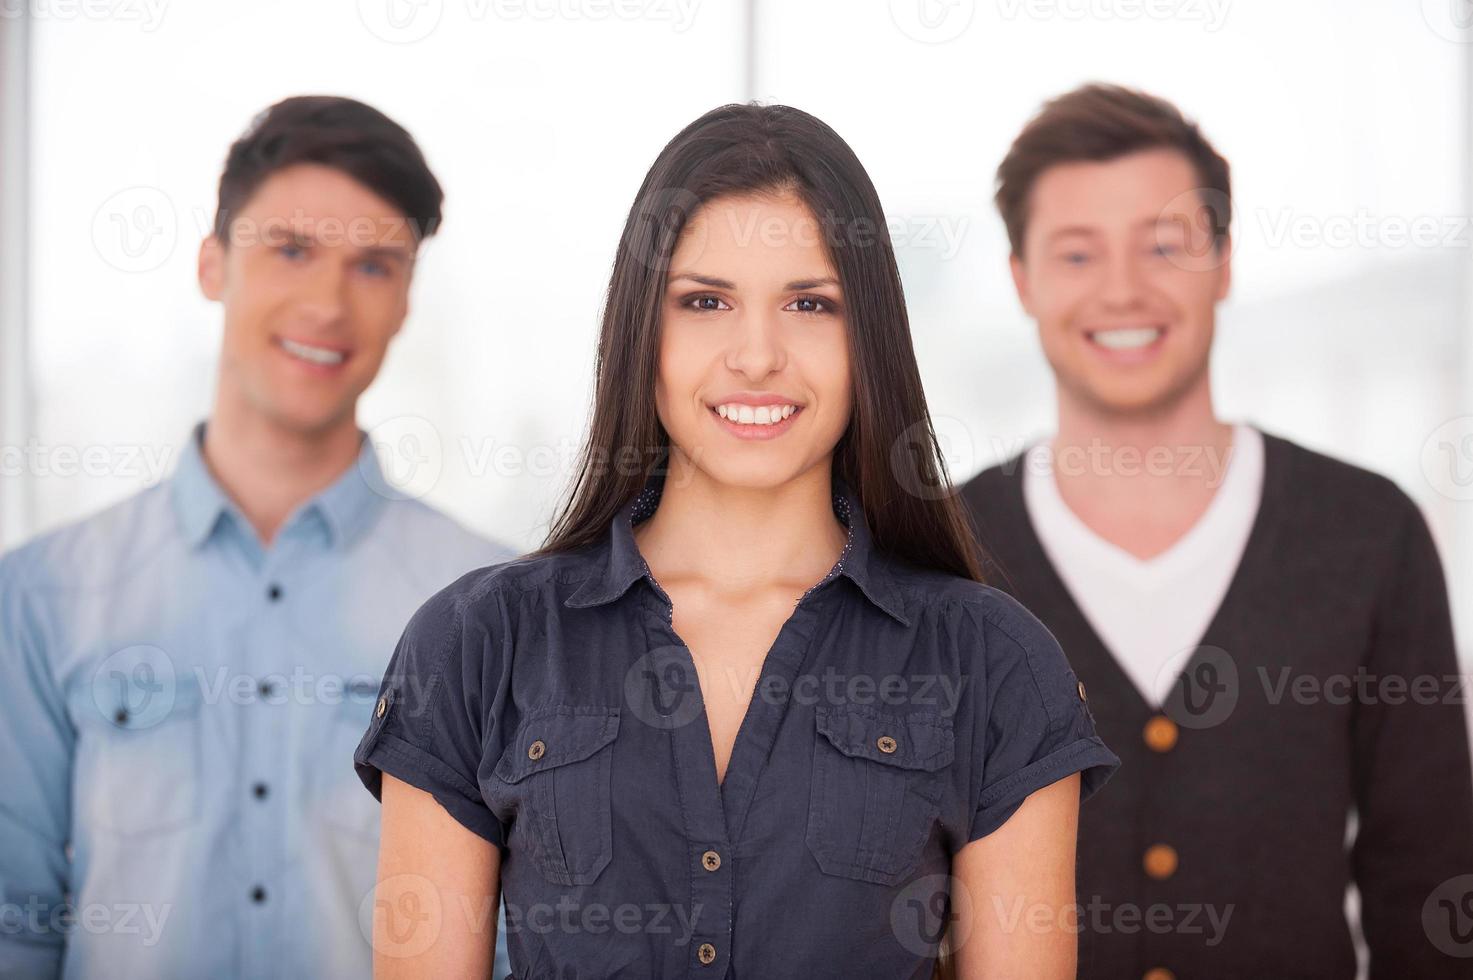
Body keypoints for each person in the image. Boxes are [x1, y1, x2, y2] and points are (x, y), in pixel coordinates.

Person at [353, 102, 1120, 978]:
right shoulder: (475, 646)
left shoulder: (993, 664)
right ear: (643, 331)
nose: (756, 356)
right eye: (705, 301)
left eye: (809, 302)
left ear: (867, 337)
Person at [960, 83, 1473, 977]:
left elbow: (1427, 884)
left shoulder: (1366, 532)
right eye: (1077, 253)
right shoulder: (946, 546)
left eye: (1164, 245)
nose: (1123, 290)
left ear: (1224, 261)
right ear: (1021, 280)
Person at [0, 96, 515, 979]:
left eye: (374, 265)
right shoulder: (41, 597)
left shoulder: (487, 607)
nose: (326, 302)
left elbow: (508, 946)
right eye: (291, 250)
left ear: (405, 302)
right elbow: (17, 928)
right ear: (211, 264)